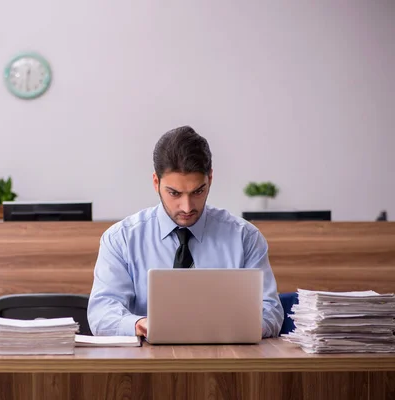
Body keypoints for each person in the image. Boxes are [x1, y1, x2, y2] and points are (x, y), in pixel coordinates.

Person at [87, 125, 284, 338]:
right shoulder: (121, 239)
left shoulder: (245, 238)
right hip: (146, 364)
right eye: (174, 193)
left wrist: (245, 326)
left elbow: (271, 310)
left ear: (210, 178)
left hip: (226, 361)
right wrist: (140, 324)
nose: (187, 207)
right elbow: (101, 313)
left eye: (198, 191)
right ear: (156, 182)